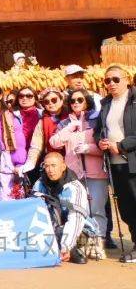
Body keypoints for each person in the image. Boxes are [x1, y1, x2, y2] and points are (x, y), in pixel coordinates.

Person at [50, 88, 108, 259]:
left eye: (80, 99)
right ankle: (80, 243)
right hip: (74, 174)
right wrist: (69, 127)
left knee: (96, 209)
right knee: (77, 209)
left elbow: (103, 146)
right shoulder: (64, 123)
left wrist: (89, 148)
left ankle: (97, 242)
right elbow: (54, 142)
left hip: (94, 171)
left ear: (87, 101)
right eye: (73, 100)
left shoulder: (96, 121)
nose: (76, 103)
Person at [95, 65, 136, 263]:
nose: (111, 84)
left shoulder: (134, 101)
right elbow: (98, 130)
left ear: (127, 79)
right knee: (126, 207)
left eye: (115, 79)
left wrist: (121, 145)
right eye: (107, 80)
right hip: (116, 164)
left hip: (133, 161)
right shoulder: (105, 105)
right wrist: (100, 142)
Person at [33, 152, 94, 264]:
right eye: (47, 166)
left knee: (73, 235)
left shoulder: (75, 187)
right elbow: (33, 211)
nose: (50, 170)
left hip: (78, 228)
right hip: (52, 226)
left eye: (54, 165)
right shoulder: (39, 184)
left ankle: (72, 249)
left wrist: (66, 246)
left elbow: (76, 219)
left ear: (63, 166)